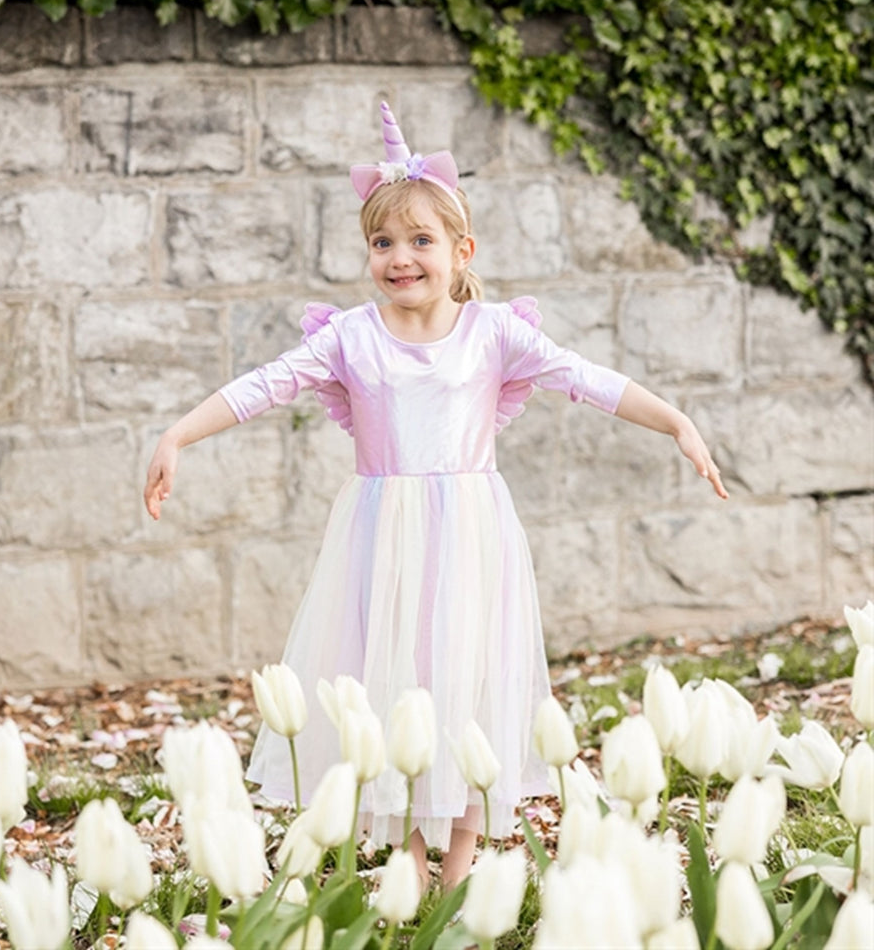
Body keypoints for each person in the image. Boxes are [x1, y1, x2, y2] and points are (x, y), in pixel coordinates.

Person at [143, 101, 728, 890]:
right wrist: (179, 433)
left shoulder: (494, 333)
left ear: (461, 251)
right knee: (394, 683)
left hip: (470, 535)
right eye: (383, 242)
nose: (400, 257)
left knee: (466, 678)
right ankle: (407, 859)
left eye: (420, 241)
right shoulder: (351, 337)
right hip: (380, 537)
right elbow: (264, 385)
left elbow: (586, 378)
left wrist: (676, 421)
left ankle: (458, 864)